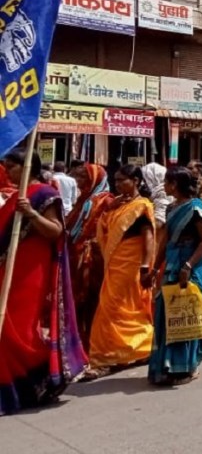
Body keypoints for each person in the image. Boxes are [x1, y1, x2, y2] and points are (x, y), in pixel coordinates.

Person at [0, 150, 87, 415]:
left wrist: (32, 214)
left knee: (17, 331)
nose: (8, 171)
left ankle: (42, 378)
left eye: (12, 166)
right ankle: (16, 389)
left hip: (30, 273)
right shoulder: (14, 195)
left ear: (27, 167)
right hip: (9, 269)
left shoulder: (44, 195)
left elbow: (56, 231)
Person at [85, 165, 156, 379]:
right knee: (120, 309)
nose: (118, 185)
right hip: (114, 265)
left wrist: (145, 267)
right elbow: (103, 231)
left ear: (136, 181)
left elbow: (149, 238)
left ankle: (105, 358)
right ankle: (141, 347)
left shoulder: (141, 206)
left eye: (123, 180)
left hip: (131, 266)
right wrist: (108, 209)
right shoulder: (118, 206)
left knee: (110, 310)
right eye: (116, 181)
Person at [149, 167, 202, 385]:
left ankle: (188, 366)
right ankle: (166, 365)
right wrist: (155, 268)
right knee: (167, 316)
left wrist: (188, 265)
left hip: (190, 267)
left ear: (174, 184)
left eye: (167, 182)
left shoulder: (195, 208)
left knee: (187, 315)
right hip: (172, 265)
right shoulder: (171, 208)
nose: (164, 187)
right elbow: (165, 240)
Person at [66, 163, 115, 352]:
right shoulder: (82, 201)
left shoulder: (107, 201)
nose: (78, 182)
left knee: (92, 301)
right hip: (76, 258)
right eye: (77, 177)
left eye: (83, 178)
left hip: (95, 260)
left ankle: (93, 344)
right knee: (78, 303)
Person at [142, 163, 169, 230]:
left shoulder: (162, 194)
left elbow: (158, 224)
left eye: (145, 180)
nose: (142, 183)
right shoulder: (154, 194)